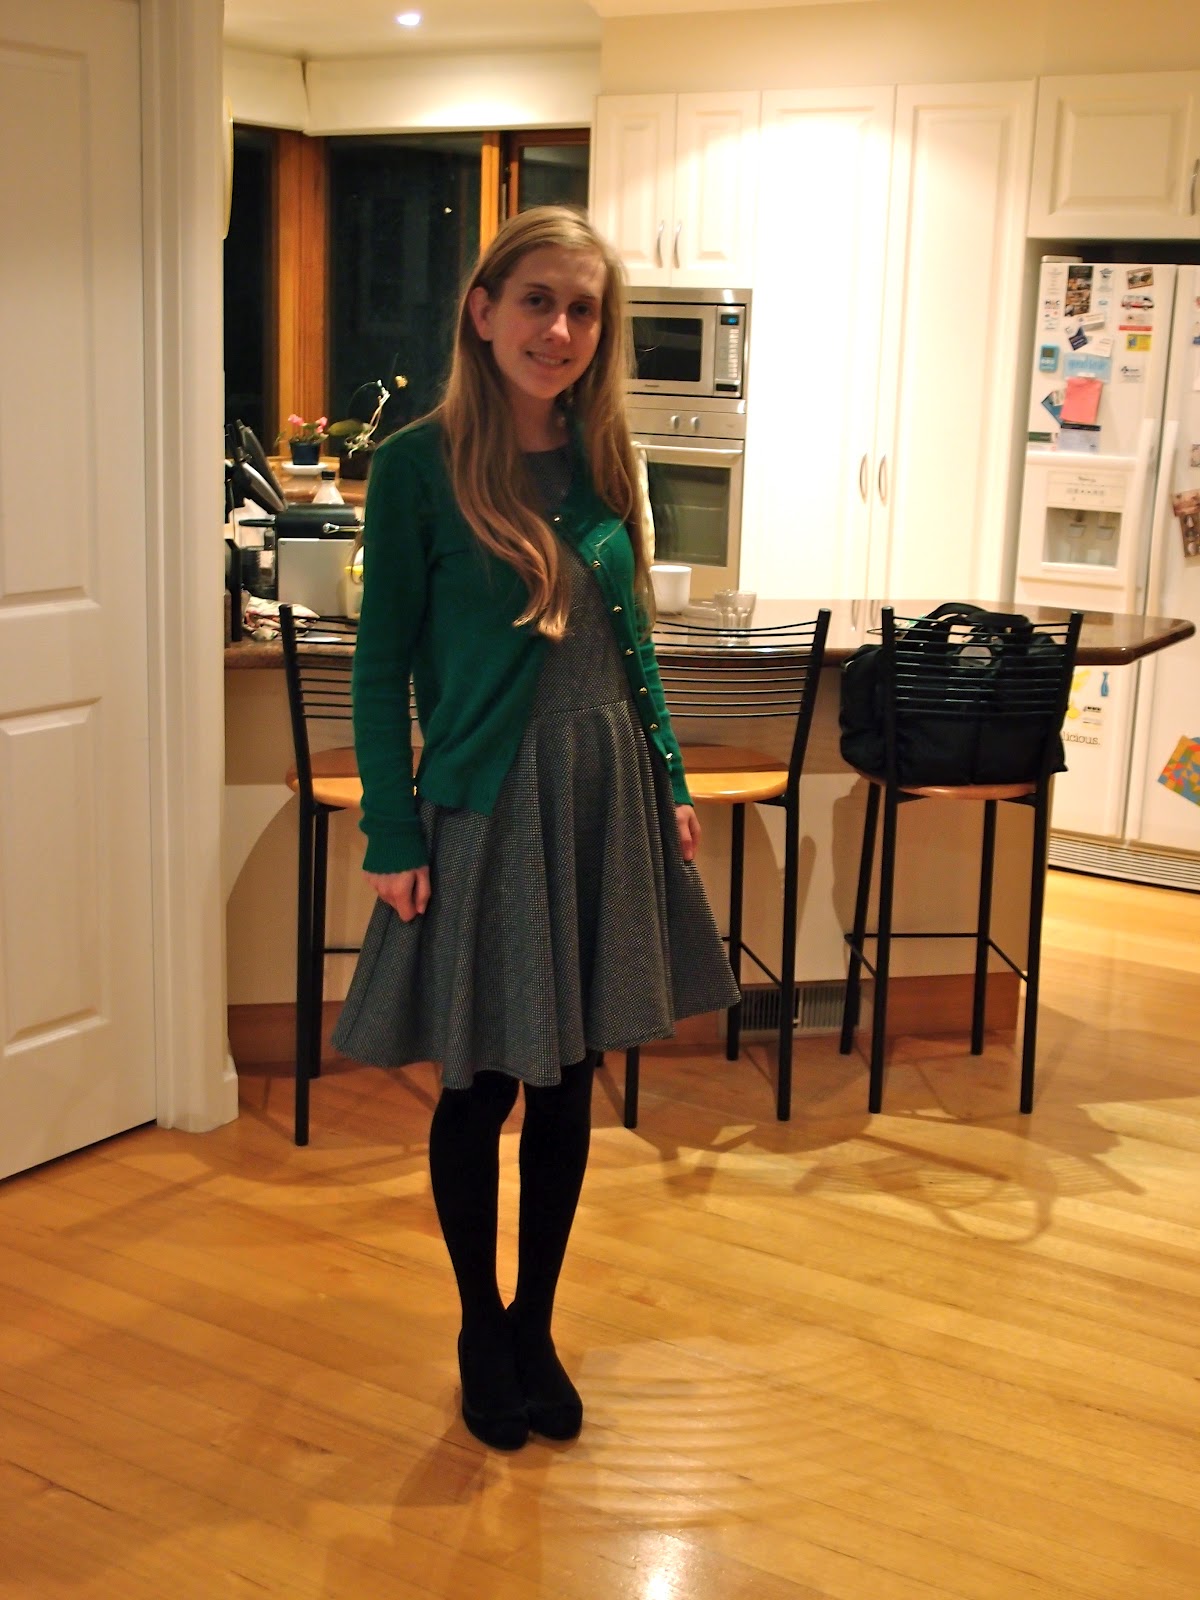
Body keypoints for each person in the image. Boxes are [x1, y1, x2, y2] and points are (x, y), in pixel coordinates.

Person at [332, 206, 738, 1451]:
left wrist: (669, 776)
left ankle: (535, 1323)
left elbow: (634, 643)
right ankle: (477, 1324)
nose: (558, 329)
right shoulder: (419, 466)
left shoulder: (606, 456)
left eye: (582, 308)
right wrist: (392, 830)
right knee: (483, 1080)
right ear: (484, 310)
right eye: (536, 301)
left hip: (602, 792)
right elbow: (379, 667)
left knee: (569, 1082)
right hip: (490, 800)